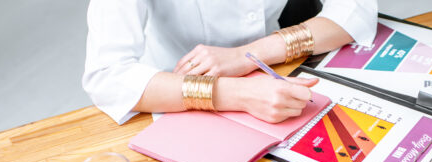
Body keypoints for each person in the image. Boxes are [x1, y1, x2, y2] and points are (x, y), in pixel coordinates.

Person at [82, 0, 377, 125]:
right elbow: (106, 74)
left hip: (276, 75)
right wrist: (239, 94)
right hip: (171, 93)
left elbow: (357, 8)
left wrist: (248, 55)